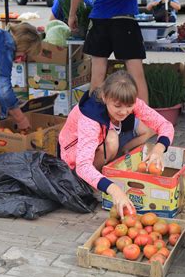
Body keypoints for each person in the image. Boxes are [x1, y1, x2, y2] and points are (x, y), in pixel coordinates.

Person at [59, 71, 174, 217]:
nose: (124, 111)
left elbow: (165, 125)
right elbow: (83, 165)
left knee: (115, 137)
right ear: (105, 97)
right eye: (118, 106)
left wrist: (158, 149)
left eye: (129, 106)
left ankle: (101, 179)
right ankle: (89, 184)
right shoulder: (90, 118)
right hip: (72, 160)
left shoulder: (129, 101)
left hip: (98, 144)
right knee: (112, 140)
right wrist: (114, 190)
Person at [68, 0, 150, 104]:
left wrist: (72, 14)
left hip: (100, 20)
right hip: (125, 19)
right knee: (136, 76)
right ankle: (145, 120)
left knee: (97, 77)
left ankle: (95, 119)